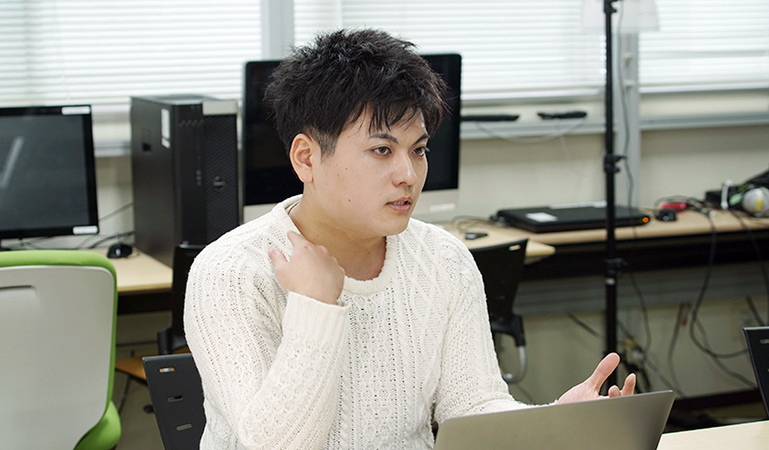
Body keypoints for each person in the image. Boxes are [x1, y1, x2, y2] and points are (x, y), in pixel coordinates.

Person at [184, 28, 636, 450]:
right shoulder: (229, 273)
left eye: (417, 150)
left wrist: (553, 423)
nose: (409, 175)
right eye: (382, 150)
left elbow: (471, 409)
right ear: (306, 158)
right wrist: (315, 307)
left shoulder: (442, 258)